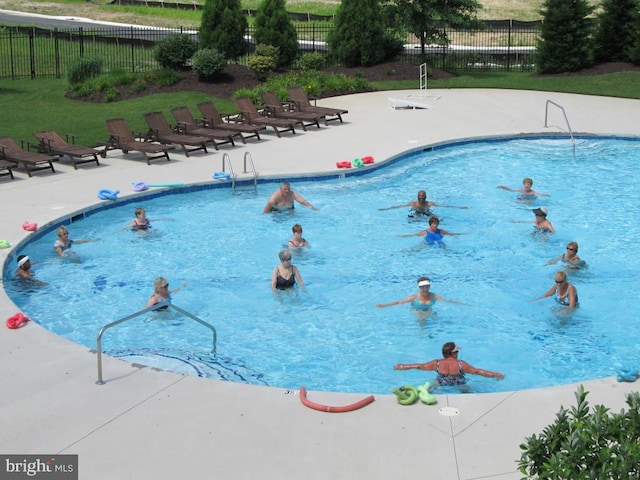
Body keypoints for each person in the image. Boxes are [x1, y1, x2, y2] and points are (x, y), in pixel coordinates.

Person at [394, 342, 505, 387]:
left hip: (441, 381)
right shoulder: (461, 364)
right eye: (457, 351)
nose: (458, 353)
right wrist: (494, 374)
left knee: (430, 387)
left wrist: (403, 366)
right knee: (467, 392)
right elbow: (477, 371)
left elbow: (419, 366)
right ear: (453, 353)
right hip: (459, 381)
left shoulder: (436, 363)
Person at [375, 277, 467, 309]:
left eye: (427, 287)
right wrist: (384, 305)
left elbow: (447, 301)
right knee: (422, 321)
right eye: (423, 287)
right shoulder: (414, 297)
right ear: (419, 287)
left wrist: (462, 303)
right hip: (417, 310)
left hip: (428, 309)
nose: (426, 289)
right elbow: (399, 302)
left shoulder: (433, 296)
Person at [378, 190, 468, 217]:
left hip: (427, 212)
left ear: (426, 196)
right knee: (412, 218)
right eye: (420, 195)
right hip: (417, 212)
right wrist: (385, 209)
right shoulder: (413, 203)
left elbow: (443, 206)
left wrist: (459, 207)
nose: (421, 197)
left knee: (436, 217)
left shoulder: (429, 203)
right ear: (417, 196)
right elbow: (399, 206)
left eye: (423, 196)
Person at [397, 215, 464, 245]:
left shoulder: (441, 231)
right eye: (433, 224)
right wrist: (403, 236)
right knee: (417, 248)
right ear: (430, 224)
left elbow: (451, 234)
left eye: (436, 224)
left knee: (449, 251)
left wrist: (462, 234)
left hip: (440, 244)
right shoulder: (425, 232)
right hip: (427, 244)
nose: (435, 225)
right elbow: (414, 235)